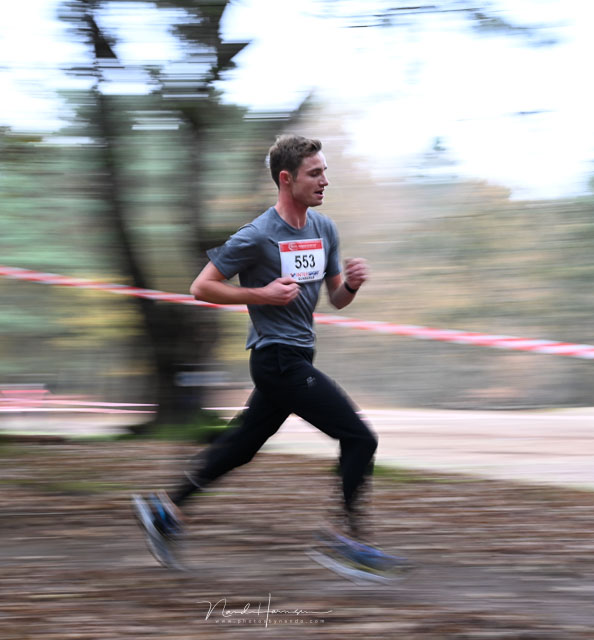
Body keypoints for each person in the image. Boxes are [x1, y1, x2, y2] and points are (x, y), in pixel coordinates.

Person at [133, 135, 402, 579]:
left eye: (324, 171)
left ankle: (167, 511)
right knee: (360, 439)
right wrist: (260, 294)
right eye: (315, 173)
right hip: (277, 359)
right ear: (286, 178)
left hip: (298, 356)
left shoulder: (324, 229)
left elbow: (336, 299)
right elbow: (201, 287)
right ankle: (347, 541)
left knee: (241, 447)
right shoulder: (257, 236)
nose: (325, 181)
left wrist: (352, 282)